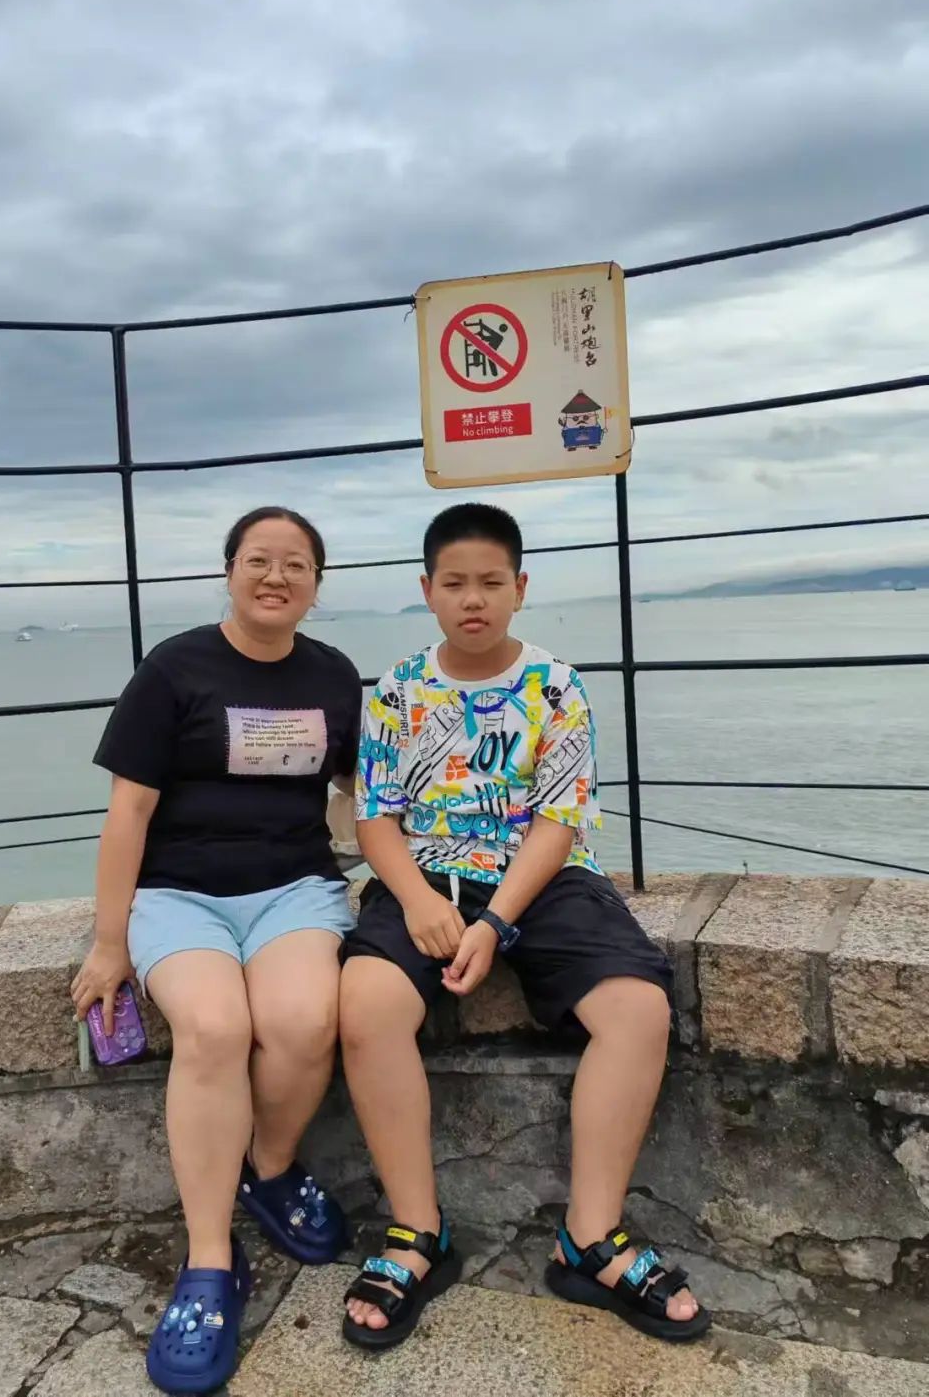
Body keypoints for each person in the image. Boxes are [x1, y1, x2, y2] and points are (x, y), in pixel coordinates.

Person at [339, 502, 709, 1349]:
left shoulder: (556, 686)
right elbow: (374, 817)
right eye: (455, 583)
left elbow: (557, 821)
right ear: (427, 590)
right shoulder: (397, 690)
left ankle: (591, 1238)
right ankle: (417, 1231)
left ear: (520, 587)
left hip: (540, 876)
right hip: (424, 874)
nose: (473, 599)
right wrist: (422, 902)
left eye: (491, 582)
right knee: (364, 1005)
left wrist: (496, 920)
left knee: (637, 1008)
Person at [71, 506, 362, 1395]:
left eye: (296, 564)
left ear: (317, 584)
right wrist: (109, 940)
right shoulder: (174, 669)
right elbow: (129, 811)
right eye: (258, 560)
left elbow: (359, 788)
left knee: (305, 1021)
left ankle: (268, 1167)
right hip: (179, 894)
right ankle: (208, 1259)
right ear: (230, 570)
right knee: (212, 1028)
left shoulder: (334, 675)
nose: (276, 577)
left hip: (294, 887)